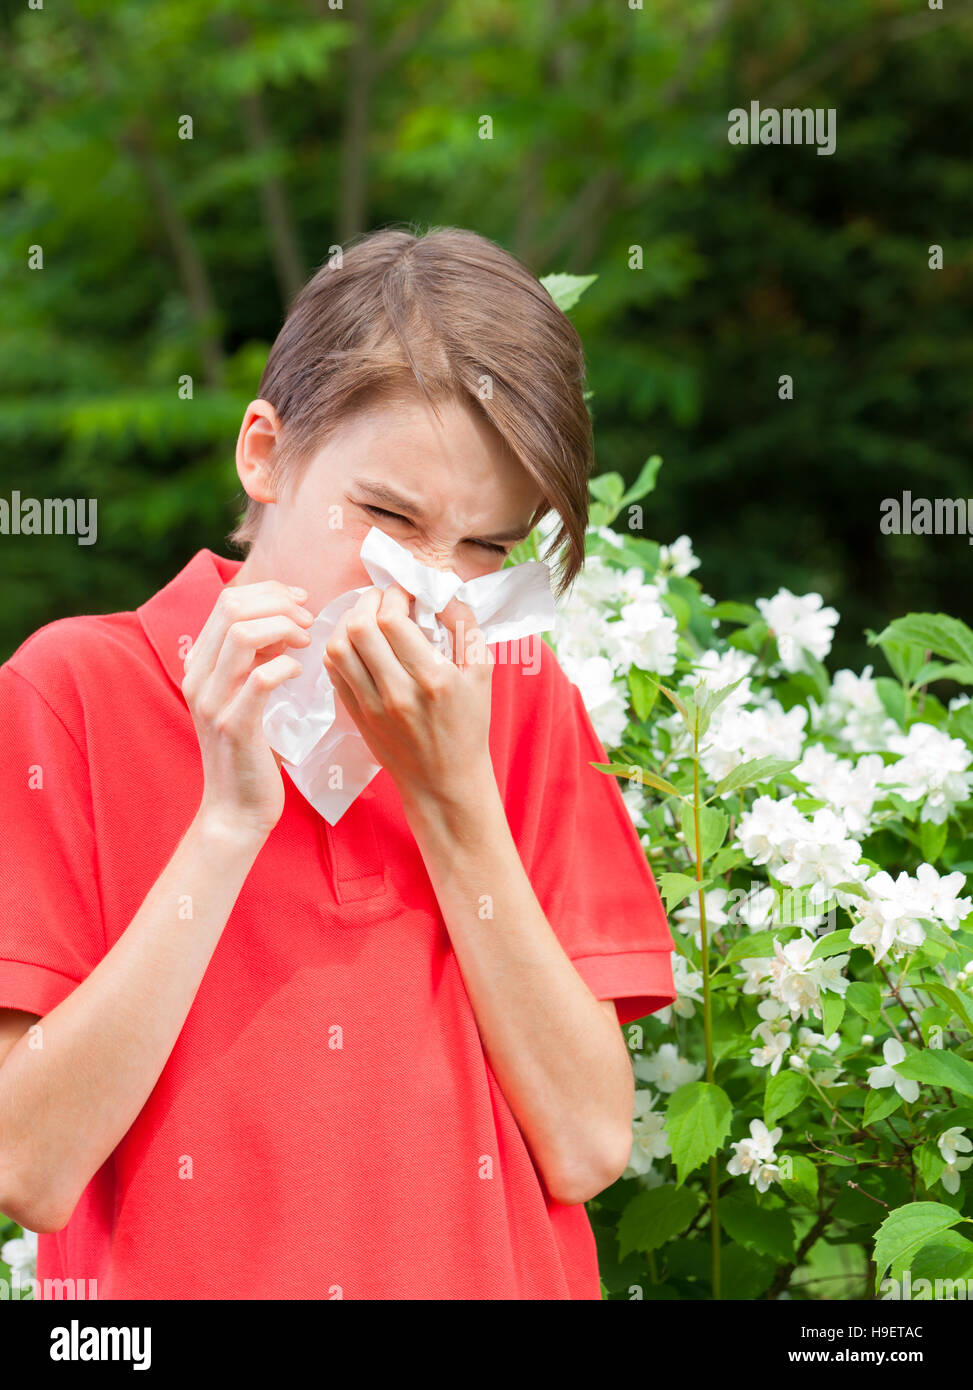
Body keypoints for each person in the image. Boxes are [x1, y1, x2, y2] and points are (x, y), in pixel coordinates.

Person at [0, 225, 676, 1300]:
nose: (428, 587)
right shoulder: (72, 692)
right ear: (265, 454)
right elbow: (27, 1162)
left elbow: (590, 1141)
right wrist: (226, 818)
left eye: (487, 548)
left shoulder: (518, 697)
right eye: (388, 516)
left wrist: (452, 796)